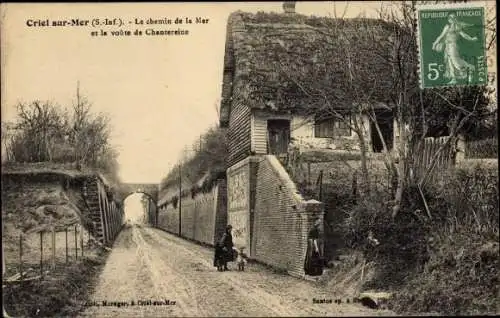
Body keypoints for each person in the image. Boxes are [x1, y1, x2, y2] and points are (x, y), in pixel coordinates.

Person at [432, 13, 478, 85]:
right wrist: (435, 43)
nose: (452, 19)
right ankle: (454, 79)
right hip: (447, 46)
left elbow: (464, 35)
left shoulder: (457, 27)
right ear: (449, 20)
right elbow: (441, 36)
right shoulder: (447, 27)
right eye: (451, 18)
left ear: (455, 19)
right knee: (450, 63)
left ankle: (470, 67)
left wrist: (471, 39)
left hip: (453, 46)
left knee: (456, 62)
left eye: (454, 18)